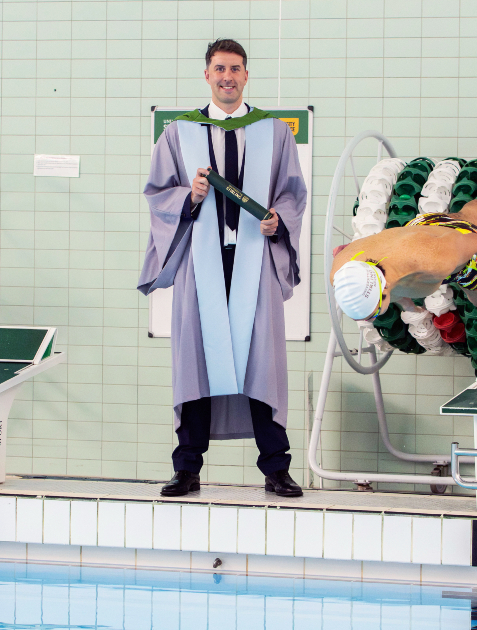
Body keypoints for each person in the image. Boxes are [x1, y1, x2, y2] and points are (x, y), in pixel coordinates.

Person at [138, 38, 308, 497]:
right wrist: (188, 197)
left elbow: (292, 192)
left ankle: (276, 469)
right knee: (197, 361)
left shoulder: (275, 132)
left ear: (246, 75)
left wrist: (279, 221)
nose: (227, 76)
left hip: (255, 262)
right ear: (207, 75)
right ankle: (187, 469)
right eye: (219, 68)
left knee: (262, 364)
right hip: (202, 261)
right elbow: (158, 193)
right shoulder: (178, 133)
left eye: (235, 68)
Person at [330, 194, 477, 413]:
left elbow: (475, 242)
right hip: (420, 229)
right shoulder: (341, 270)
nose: (371, 320)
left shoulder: (434, 261)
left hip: (458, 255)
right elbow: (385, 284)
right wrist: (409, 306)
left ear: (384, 292)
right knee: (466, 216)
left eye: (371, 314)